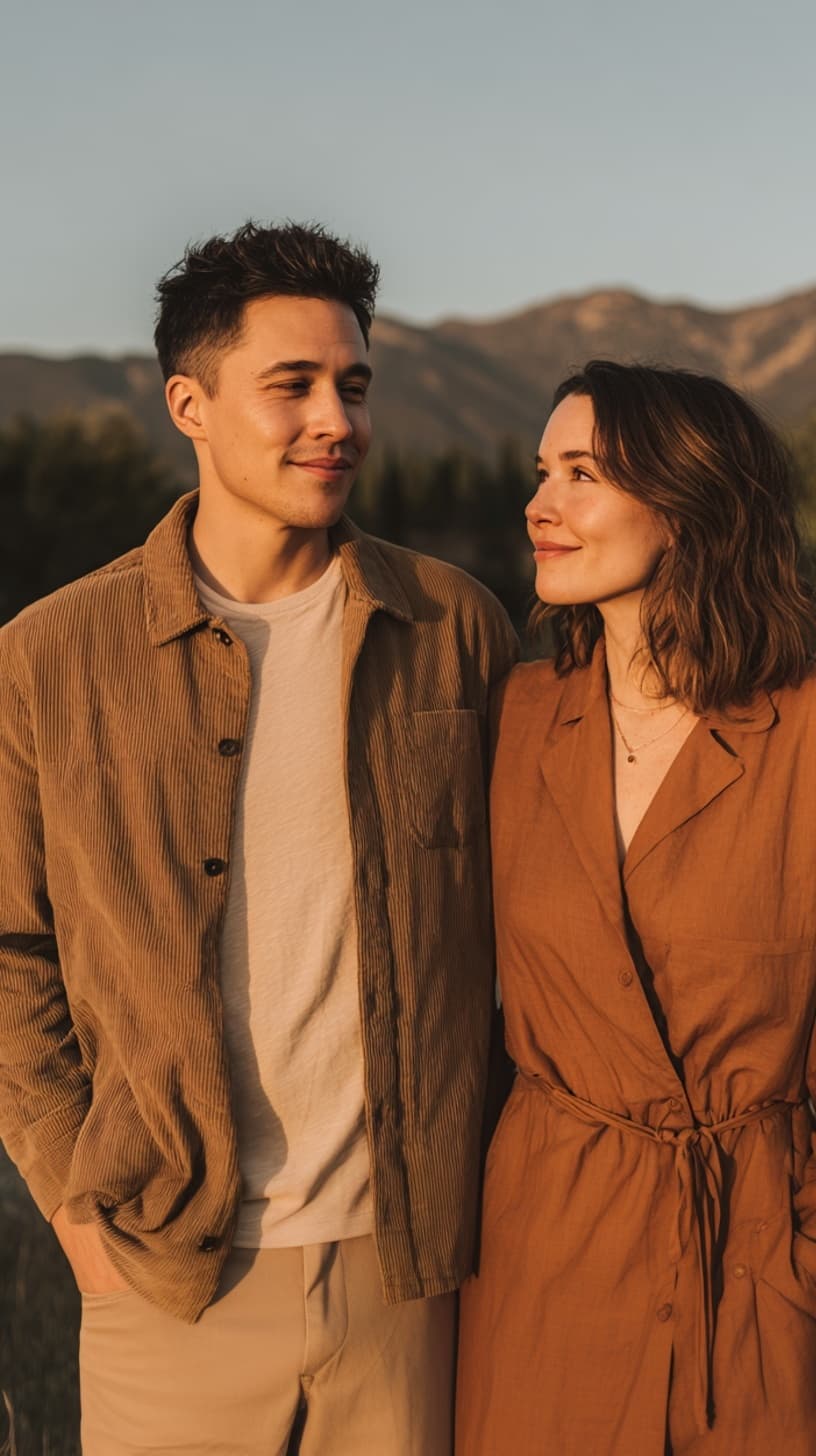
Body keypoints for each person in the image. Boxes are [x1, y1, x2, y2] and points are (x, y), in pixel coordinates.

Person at [0, 221, 517, 1456]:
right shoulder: (49, 658)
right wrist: (79, 1209)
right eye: (292, 385)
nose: (336, 420)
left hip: (413, 1275)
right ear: (190, 403)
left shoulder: (455, 628)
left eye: (353, 384)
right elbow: (11, 953)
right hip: (170, 1277)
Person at [455, 360, 816, 1456]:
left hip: (758, 1279)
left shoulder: (804, 733)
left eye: (583, 474)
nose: (539, 503)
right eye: (540, 471)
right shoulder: (513, 717)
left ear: (689, 501)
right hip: (547, 1266)